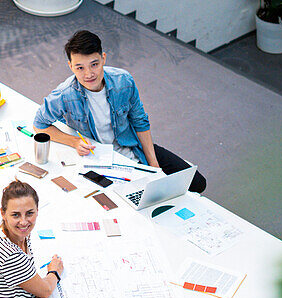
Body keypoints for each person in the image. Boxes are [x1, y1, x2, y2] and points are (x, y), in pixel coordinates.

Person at [33, 29, 207, 193]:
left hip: (133, 146)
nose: (88, 74)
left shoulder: (123, 81)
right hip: (103, 162)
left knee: (198, 183)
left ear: (104, 58)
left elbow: (140, 121)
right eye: (80, 67)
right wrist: (74, 142)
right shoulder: (65, 94)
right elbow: (39, 125)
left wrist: (153, 166)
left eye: (94, 64)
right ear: (70, 66)